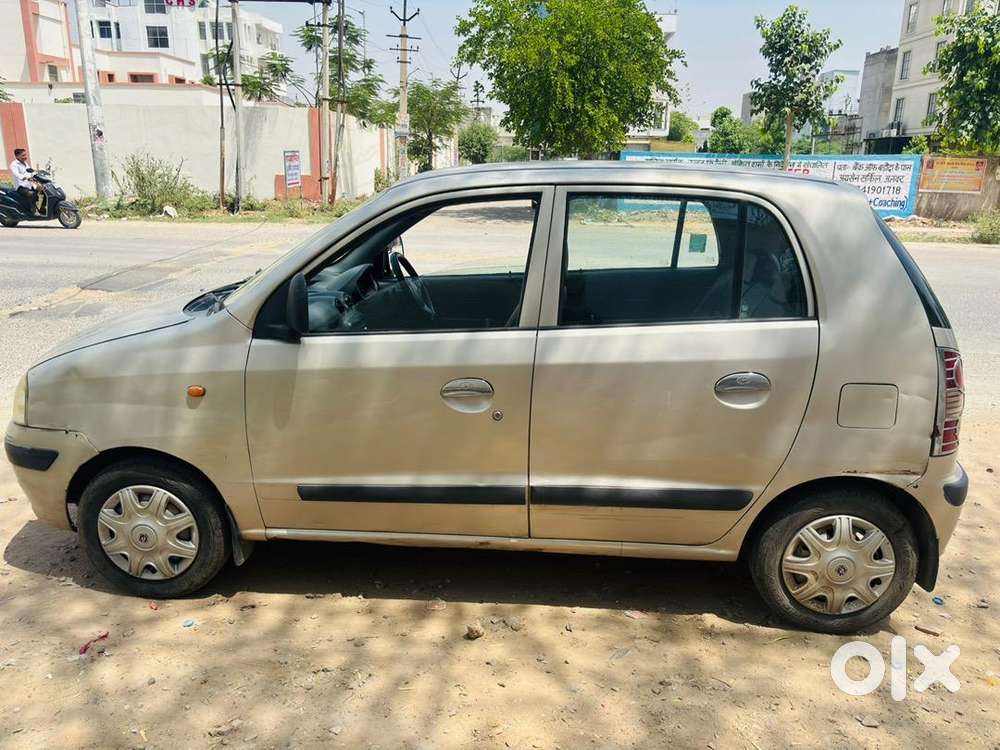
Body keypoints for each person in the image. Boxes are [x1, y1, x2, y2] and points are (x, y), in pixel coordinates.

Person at [9, 148, 39, 215]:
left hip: (29, 185)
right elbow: (16, 174)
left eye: (25, 155)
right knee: (32, 194)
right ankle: (33, 210)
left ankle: (41, 208)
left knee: (41, 190)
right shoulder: (14, 165)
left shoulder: (25, 163)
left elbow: (30, 171)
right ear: (17, 156)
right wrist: (23, 177)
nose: (25, 157)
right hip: (21, 187)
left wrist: (38, 173)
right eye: (23, 155)